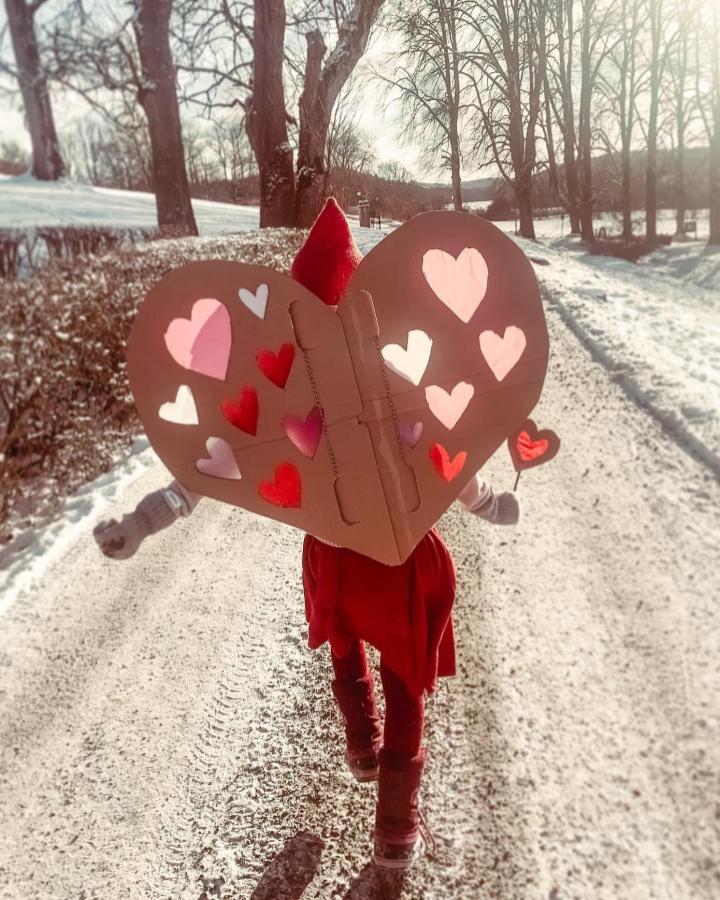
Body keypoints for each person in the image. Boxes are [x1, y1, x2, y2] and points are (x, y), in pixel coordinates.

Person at [94, 199, 521, 870]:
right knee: (408, 677)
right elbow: (447, 462)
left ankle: (361, 742)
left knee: (345, 644)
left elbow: (208, 468)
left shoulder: (288, 401)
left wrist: (142, 522)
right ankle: (396, 825)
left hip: (336, 561)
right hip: (403, 561)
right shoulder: (397, 385)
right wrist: (487, 504)